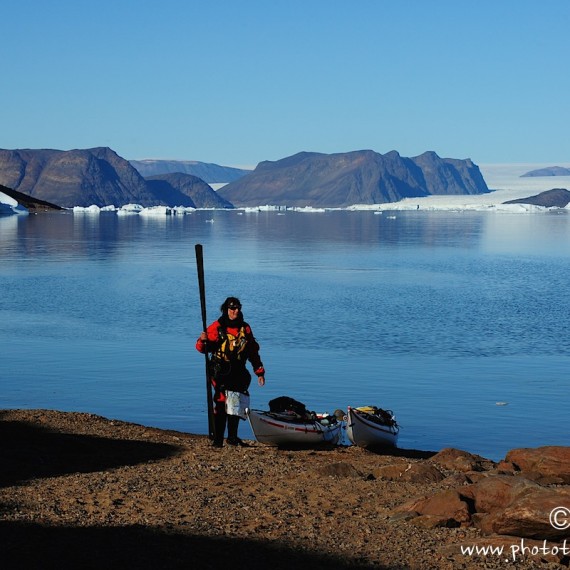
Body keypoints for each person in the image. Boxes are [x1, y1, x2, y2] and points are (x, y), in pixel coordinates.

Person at [196, 296, 265, 447]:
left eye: (238, 308)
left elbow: (253, 351)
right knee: (221, 403)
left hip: (238, 371)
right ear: (226, 310)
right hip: (220, 371)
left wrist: (259, 372)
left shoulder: (245, 328)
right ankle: (218, 440)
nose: (236, 311)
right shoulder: (217, 327)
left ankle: (232, 438)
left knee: (236, 404)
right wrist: (203, 340)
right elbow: (201, 348)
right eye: (232, 308)